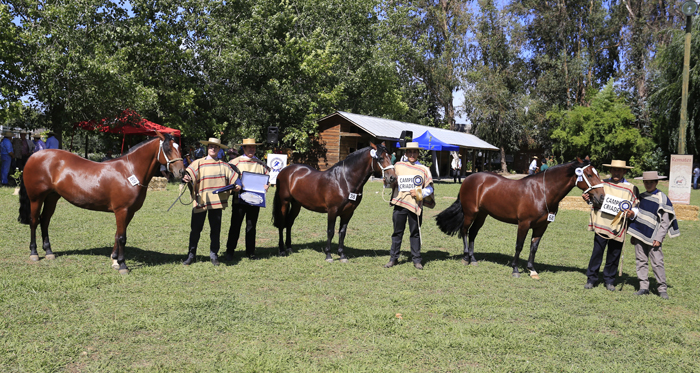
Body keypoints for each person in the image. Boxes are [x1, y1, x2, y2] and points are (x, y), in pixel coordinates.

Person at [182, 137, 240, 266]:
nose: (213, 148)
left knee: (215, 229)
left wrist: (237, 186)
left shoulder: (223, 165)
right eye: (210, 146)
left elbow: (234, 178)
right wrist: (186, 178)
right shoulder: (198, 163)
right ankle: (191, 255)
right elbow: (188, 174)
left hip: (216, 202)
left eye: (215, 147)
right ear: (207, 148)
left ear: (219, 149)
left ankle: (214, 255)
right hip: (200, 200)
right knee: (195, 229)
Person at [582, 160, 638, 291]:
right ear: (610, 171)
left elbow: (636, 205)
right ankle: (591, 279)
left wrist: (631, 213)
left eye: (619, 170)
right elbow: (595, 199)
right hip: (602, 224)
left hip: (618, 227)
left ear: (624, 171)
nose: (616, 172)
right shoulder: (603, 184)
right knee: (597, 252)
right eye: (614, 169)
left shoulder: (631, 188)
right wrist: (588, 199)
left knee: (614, 254)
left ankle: (609, 280)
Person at [628, 171, 679, 299]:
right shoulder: (642, 197)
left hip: (654, 237)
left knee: (657, 262)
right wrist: (634, 234)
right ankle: (643, 287)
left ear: (656, 182)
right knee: (641, 260)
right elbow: (638, 216)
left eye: (651, 182)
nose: (648, 184)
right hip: (640, 234)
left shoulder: (662, 198)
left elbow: (665, 222)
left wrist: (659, 238)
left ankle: (662, 289)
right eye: (646, 182)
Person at [384, 142, 435, 270]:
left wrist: (418, 193)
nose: (412, 154)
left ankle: (417, 260)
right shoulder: (398, 166)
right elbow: (390, 182)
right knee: (397, 232)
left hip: (415, 205)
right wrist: (385, 182)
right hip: (400, 204)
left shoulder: (424, 169)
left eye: (415, 152)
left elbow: (429, 189)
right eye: (410, 152)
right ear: (405, 153)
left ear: (418, 153)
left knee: (415, 232)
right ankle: (393, 259)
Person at [225, 138, 269, 261]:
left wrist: (266, 186)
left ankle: (250, 252)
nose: (251, 149)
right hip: (239, 200)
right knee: (235, 225)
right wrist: (235, 186)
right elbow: (228, 178)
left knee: (251, 226)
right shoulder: (235, 162)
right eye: (249, 147)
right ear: (243, 148)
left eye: (253, 147)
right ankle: (230, 251)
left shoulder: (260, 164)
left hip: (255, 200)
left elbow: (267, 179)